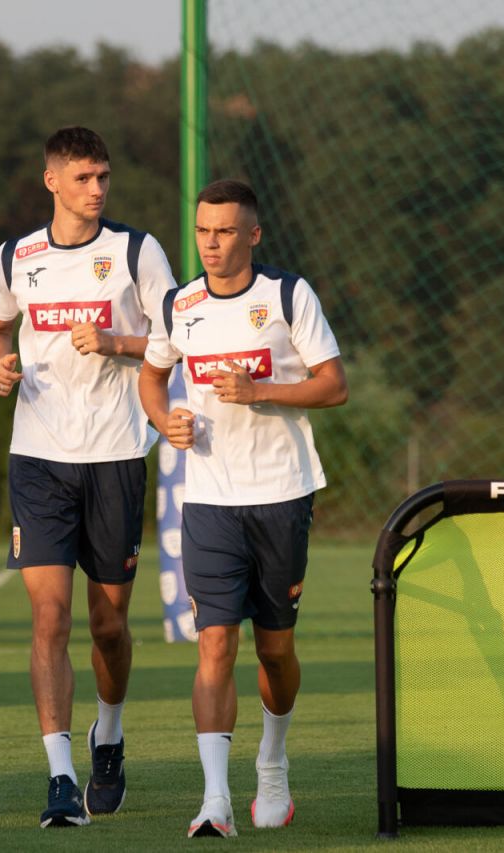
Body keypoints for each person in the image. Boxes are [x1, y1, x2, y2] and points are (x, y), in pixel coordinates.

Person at [0, 126, 178, 828]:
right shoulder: (17, 256)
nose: (97, 189)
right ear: (52, 181)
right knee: (49, 614)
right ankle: (61, 776)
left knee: (109, 623)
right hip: (37, 457)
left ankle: (110, 735)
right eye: (85, 177)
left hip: (118, 453)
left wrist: (121, 342)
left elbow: (178, 334)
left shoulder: (134, 250)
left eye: (104, 177)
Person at [138, 179, 348, 838]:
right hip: (208, 499)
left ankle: (273, 761)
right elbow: (152, 375)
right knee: (215, 647)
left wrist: (263, 388)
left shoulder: (289, 295)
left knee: (275, 650)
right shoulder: (180, 304)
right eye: (203, 231)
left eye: (225, 232)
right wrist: (162, 420)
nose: (212, 243)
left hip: (282, 493)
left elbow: (333, 384)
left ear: (252, 235)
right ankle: (215, 800)